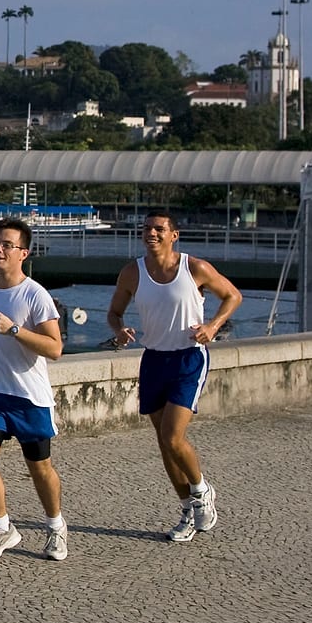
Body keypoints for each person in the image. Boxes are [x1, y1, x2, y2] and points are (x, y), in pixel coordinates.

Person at [106, 210, 243, 542]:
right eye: (147, 228)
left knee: (172, 436)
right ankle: (188, 510)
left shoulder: (194, 268)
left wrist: (212, 326)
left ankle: (201, 490)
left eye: (158, 229)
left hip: (188, 360)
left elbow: (233, 296)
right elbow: (114, 312)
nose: (151, 233)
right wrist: (119, 329)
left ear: (173, 235)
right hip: (154, 360)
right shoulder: (132, 273)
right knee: (164, 444)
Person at [0, 217, 68, 563]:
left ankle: (55, 527)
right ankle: (1, 527)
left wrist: (15, 331)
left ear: (23, 252)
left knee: (40, 468)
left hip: (29, 397)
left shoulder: (36, 295)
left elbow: (54, 348)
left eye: (6, 245)